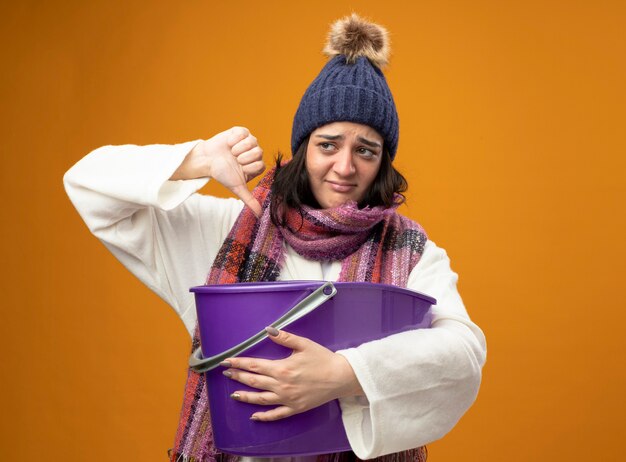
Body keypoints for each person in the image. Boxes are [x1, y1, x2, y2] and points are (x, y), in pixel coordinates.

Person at [64, 13, 486, 462]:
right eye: (329, 144)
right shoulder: (226, 231)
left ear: (383, 163)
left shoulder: (412, 254)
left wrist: (346, 374)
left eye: (366, 150)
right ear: (304, 148)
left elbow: (462, 353)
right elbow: (87, 186)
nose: (345, 167)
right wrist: (199, 159)